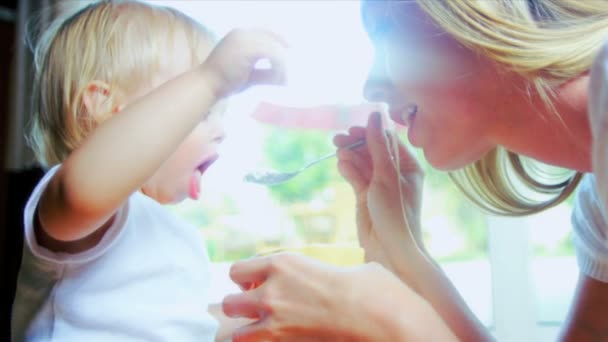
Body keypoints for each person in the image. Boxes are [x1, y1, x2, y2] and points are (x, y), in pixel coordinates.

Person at [222, 1, 608, 341]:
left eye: (385, 32)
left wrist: (391, 320)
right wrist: (403, 245)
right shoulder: (599, 206)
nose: (370, 88)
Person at [10, 1, 285, 341]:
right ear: (105, 111)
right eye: (200, 112)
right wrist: (209, 79)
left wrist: (255, 314)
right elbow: (85, 190)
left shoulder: (172, 235)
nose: (221, 130)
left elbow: (181, 326)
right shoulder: (81, 205)